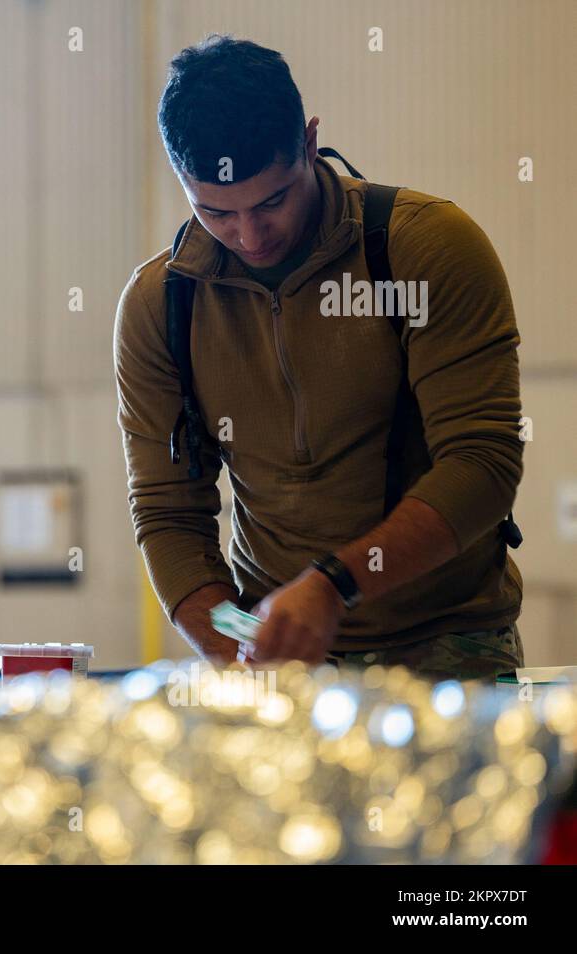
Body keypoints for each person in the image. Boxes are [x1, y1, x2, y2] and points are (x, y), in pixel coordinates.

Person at [114, 36, 524, 680]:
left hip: (448, 644)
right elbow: (169, 516)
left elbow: (483, 463)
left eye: (272, 201)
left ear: (308, 143)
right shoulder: (160, 306)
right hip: (278, 657)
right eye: (215, 212)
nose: (250, 236)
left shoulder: (424, 248)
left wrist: (333, 585)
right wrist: (234, 644)